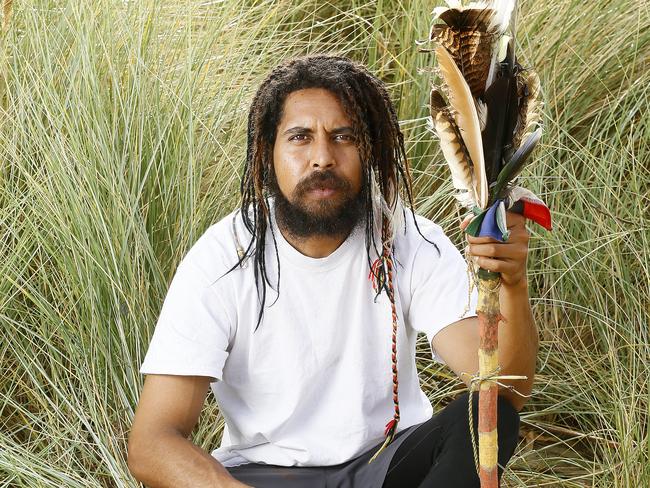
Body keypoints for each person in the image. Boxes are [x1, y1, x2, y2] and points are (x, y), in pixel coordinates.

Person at [126, 55, 538, 488]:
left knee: (488, 416)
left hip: (386, 465)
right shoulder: (223, 257)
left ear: (370, 151)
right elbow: (152, 442)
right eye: (299, 137)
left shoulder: (410, 239)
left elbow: (504, 388)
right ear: (267, 154)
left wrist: (512, 281)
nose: (322, 157)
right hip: (266, 477)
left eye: (344, 136)